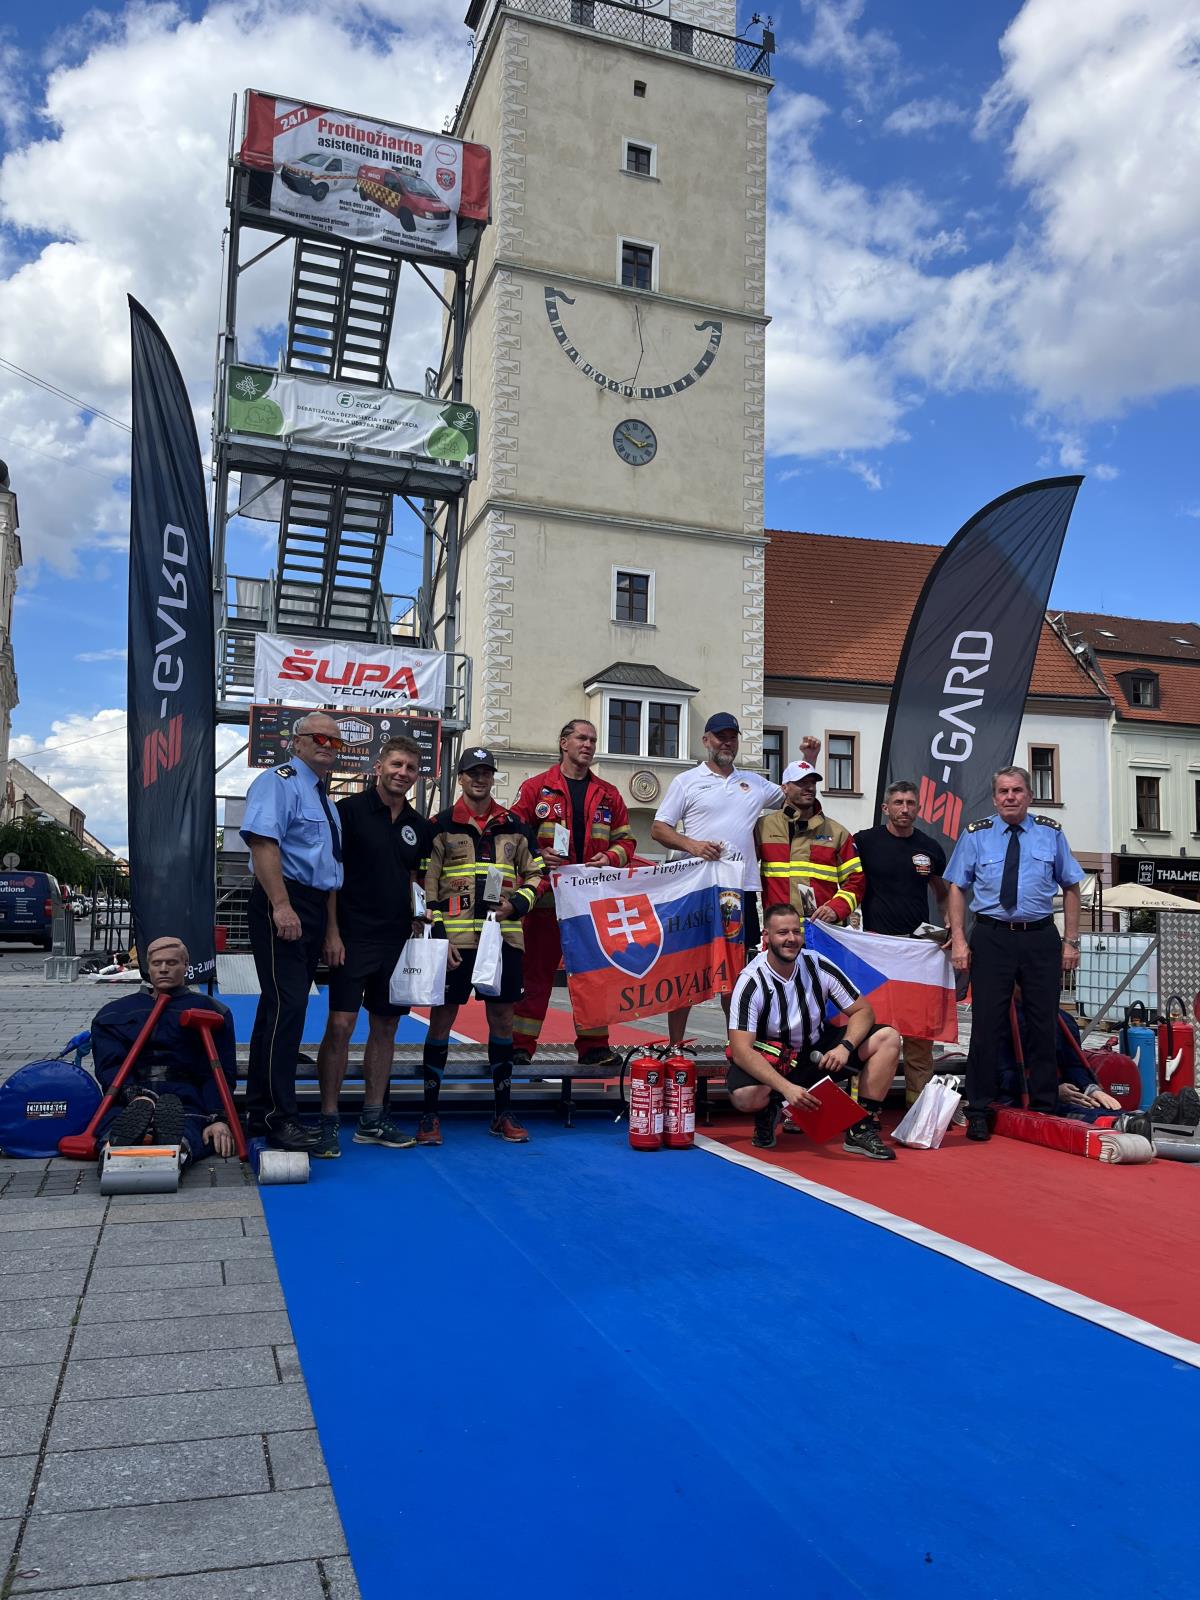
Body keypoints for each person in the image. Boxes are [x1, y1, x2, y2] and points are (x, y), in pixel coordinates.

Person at [945, 766, 1083, 1142]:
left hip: (1040, 938)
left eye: (1017, 790)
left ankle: (1044, 1108)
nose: (1010, 797)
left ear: (1029, 796)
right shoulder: (977, 834)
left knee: (1043, 1023)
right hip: (992, 937)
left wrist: (1071, 941)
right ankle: (979, 1108)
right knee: (986, 1026)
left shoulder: (1051, 833)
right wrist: (959, 940)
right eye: (1003, 791)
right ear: (994, 798)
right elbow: (957, 887)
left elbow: (1072, 885)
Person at [314, 736, 433, 1159]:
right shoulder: (346, 812)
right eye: (396, 764)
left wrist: (418, 919)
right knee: (341, 1025)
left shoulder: (419, 825)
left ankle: (372, 1118)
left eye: (411, 768)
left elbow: (416, 879)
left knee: (386, 1028)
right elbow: (330, 876)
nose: (403, 773)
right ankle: (328, 1120)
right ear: (378, 767)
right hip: (351, 936)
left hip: (396, 940)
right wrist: (331, 932)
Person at [651, 714, 797, 1046]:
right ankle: (675, 1046)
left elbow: (791, 797)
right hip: (698, 890)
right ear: (706, 740)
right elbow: (658, 828)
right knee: (687, 969)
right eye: (720, 736)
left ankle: (738, 1048)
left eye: (732, 737)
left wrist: (809, 759)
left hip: (740, 890)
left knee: (736, 974)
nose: (727, 743)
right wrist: (693, 845)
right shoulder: (687, 781)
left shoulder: (754, 783)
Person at [421, 747, 543, 1145]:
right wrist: (440, 935)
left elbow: (538, 875)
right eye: (472, 772)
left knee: (503, 1021)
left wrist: (516, 904)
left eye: (486, 772)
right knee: (441, 1019)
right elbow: (426, 884)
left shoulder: (515, 825)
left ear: (493, 777)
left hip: (502, 938)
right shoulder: (440, 825)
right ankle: (429, 1113)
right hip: (454, 943)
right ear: (460, 778)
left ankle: (502, 1112)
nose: (479, 778)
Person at [241, 711, 344, 1151]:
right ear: (296, 741)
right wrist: (281, 906)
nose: (327, 746)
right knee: (289, 1007)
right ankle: (278, 1116)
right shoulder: (278, 782)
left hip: (314, 905)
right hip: (283, 899)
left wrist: (331, 930)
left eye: (336, 742)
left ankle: (260, 1111)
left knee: (278, 1008)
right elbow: (263, 843)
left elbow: (331, 871)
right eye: (319, 737)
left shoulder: (325, 799)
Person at [725, 902, 900, 1160]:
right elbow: (741, 1050)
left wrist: (845, 1047)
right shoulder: (751, 981)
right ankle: (769, 1107)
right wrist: (786, 1089)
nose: (791, 938)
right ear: (766, 937)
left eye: (796, 931)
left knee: (888, 1038)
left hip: (817, 1053)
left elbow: (863, 1010)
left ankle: (861, 1128)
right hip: (773, 1059)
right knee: (745, 1097)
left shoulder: (816, 964)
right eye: (782, 933)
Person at [510, 718, 637, 1070]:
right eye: (582, 738)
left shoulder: (608, 794)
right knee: (535, 975)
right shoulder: (536, 788)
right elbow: (512, 834)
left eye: (593, 740)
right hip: (545, 901)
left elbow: (627, 841)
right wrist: (538, 853)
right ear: (563, 743)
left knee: (593, 976)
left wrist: (610, 858)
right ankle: (519, 1046)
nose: (588, 745)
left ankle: (594, 1047)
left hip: (590, 905)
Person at [94, 936, 236, 1174]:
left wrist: (218, 1117)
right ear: (147, 967)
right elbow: (110, 1066)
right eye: (157, 963)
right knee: (118, 1121)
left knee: (191, 1126)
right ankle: (116, 1145)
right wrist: (133, 1094)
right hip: (132, 1095)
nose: (163, 969)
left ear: (186, 966)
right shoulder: (113, 1013)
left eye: (171, 963)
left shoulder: (212, 1010)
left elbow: (219, 1072)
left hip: (185, 1094)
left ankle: (175, 1148)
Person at [853, 779, 949, 1102]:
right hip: (876, 949)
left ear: (918, 808)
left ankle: (918, 1105)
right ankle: (865, 1105)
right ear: (885, 808)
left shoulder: (930, 847)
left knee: (919, 1032)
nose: (904, 809)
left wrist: (950, 926)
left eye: (910, 803)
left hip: (918, 950)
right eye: (898, 803)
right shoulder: (865, 841)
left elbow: (943, 893)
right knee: (872, 1028)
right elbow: (847, 881)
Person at [757, 755, 864, 926]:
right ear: (784, 788)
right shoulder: (763, 827)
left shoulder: (838, 833)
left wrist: (836, 909)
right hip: (780, 932)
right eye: (801, 783)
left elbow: (855, 881)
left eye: (812, 783)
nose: (809, 788)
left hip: (822, 932)